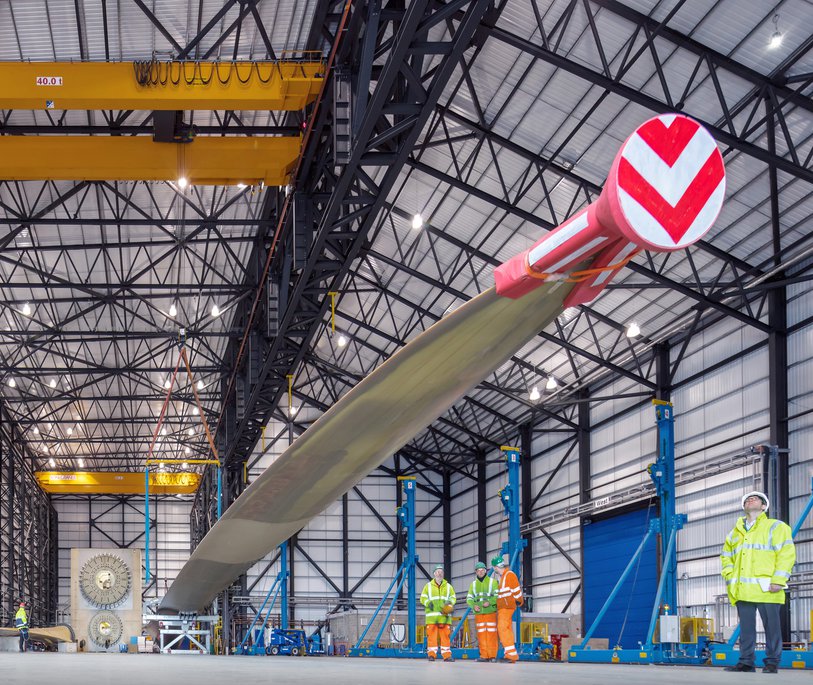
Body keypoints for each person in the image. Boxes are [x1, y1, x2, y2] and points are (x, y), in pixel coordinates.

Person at [721, 491, 795, 674]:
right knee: (746, 630)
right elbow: (726, 558)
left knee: (772, 629)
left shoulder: (776, 527)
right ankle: (746, 662)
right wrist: (731, 578)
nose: (750, 500)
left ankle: (772, 662)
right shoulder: (734, 533)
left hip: (768, 588)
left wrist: (779, 580)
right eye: (747, 499)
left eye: (755, 499)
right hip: (743, 590)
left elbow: (786, 554)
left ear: (763, 507)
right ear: (744, 507)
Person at [420, 564, 456, 661]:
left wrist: (448, 604)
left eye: (441, 572)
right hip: (432, 618)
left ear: (443, 574)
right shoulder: (427, 586)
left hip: (444, 617)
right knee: (432, 637)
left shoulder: (449, 587)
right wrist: (428, 603)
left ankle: (447, 655)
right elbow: (422, 598)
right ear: (434, 574)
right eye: (438, 572)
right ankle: (431, 654)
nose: (439, 574)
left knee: (445, 637)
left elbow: (453, 598)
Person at [492, 554, 523, 663]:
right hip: (503, 607)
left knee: (503, 628)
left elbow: (516, 590)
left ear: (495, 567)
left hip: (507, 607)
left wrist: (519, 600)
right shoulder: (503, 577)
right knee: (507, 629)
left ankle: (510, 655)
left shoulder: (509, 575)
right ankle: (511, 654)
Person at [467, 561, 498, 662]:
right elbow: (469, 598)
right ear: (476, 572)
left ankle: (492, 656)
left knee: (491, 634)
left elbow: (498, 596)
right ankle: (484, 656)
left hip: (490, 612)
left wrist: (489, 602)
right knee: (481, 635)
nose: (480, 572)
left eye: (482, 570)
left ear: (486, 571)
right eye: (478, 570)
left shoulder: (492, 582)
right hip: (479, 614)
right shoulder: (473, 585)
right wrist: (473, 606)